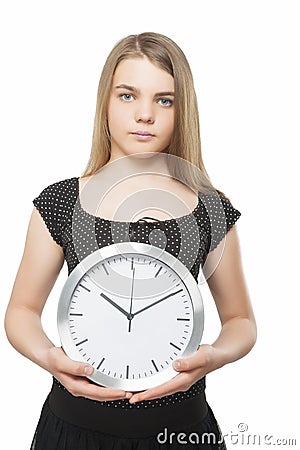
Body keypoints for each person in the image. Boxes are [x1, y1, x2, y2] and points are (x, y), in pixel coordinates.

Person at [5, 32, 256, 449]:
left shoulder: (209, 210)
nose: (144, 114)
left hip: (180, 430)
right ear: (105, 101)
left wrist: (214, 356)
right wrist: (48, 356)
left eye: (164, 100)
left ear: (183, 110)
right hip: (74, 427)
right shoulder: (63, 202)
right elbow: (21, 311)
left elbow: (241, 322)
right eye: (127, 95)